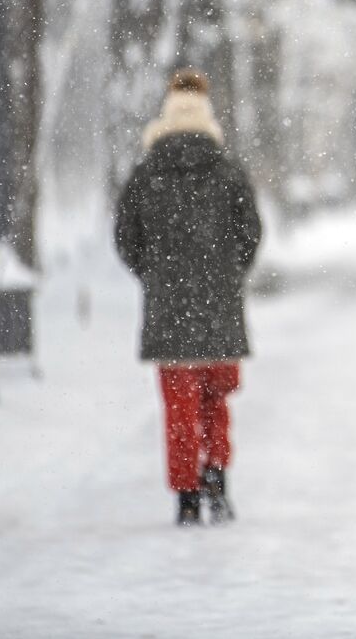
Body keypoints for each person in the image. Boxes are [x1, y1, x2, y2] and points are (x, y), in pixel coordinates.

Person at [114, 68, 262, 526]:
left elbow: (126, 239)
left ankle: (186, 497)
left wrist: (156, 276)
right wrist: (228, 273)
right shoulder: (228, 171)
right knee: (216, 400)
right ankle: (216, 478)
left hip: (169, 310)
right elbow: (250, 233)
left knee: (179, 409)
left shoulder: (144, 174)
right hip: (218, 310)